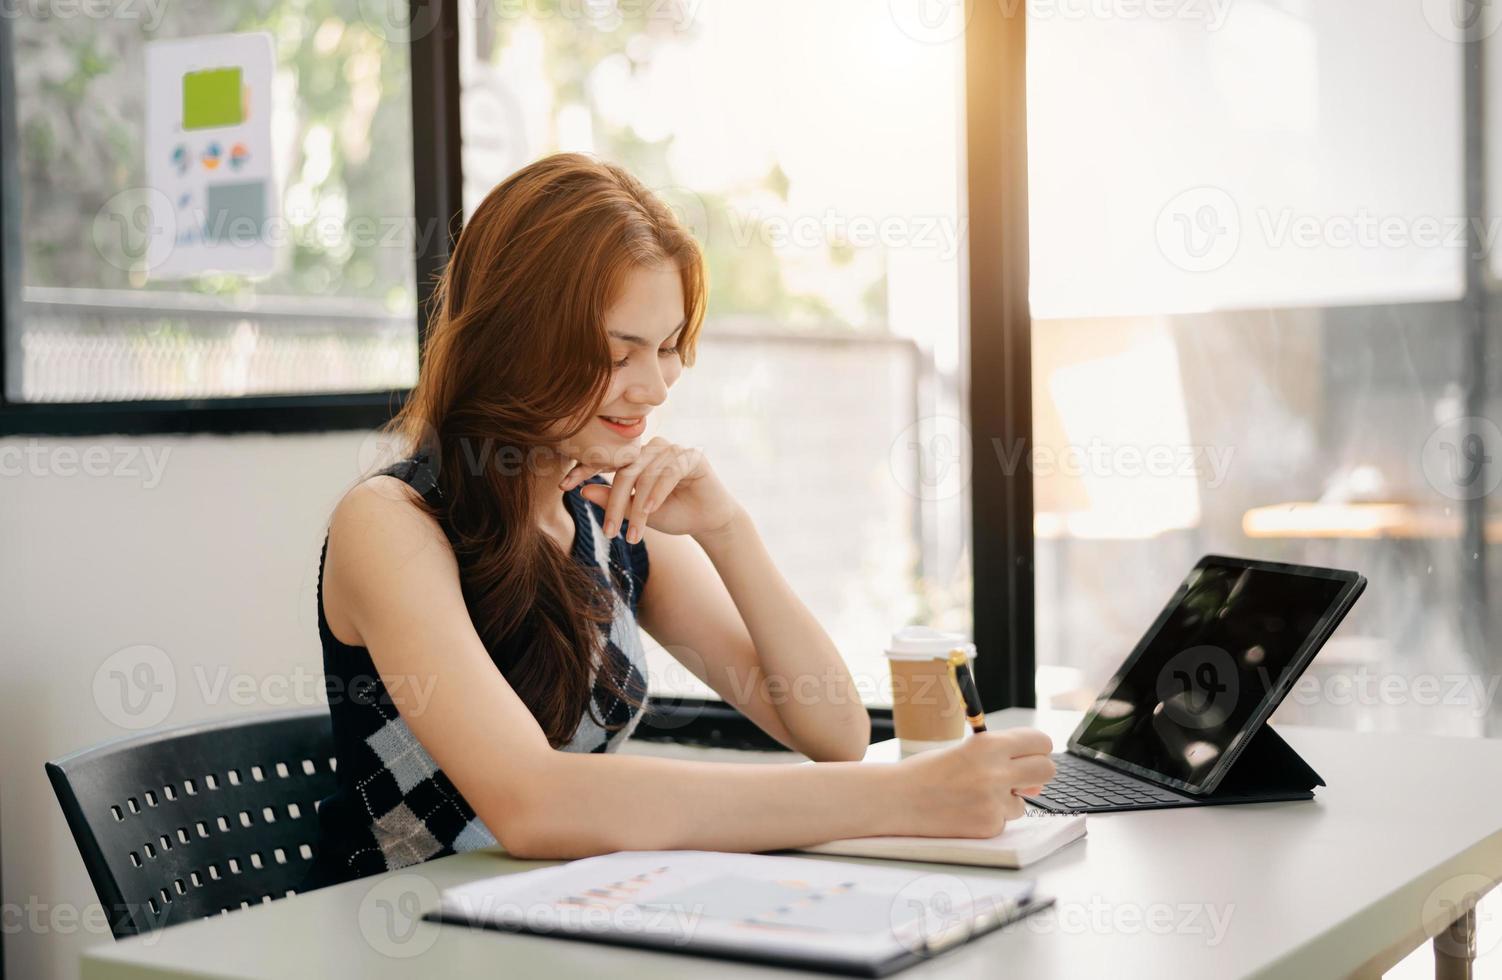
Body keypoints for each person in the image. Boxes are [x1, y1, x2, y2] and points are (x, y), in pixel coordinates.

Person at [302, 152, 1055, 889]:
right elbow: (534, 802)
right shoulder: (392, 522)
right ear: (513, 343)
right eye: (620, 351)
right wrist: (904, 798)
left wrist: (727, 529)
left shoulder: (612, 515)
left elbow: (835, 733)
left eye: (667, 350)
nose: (656, 386)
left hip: (557, 918)